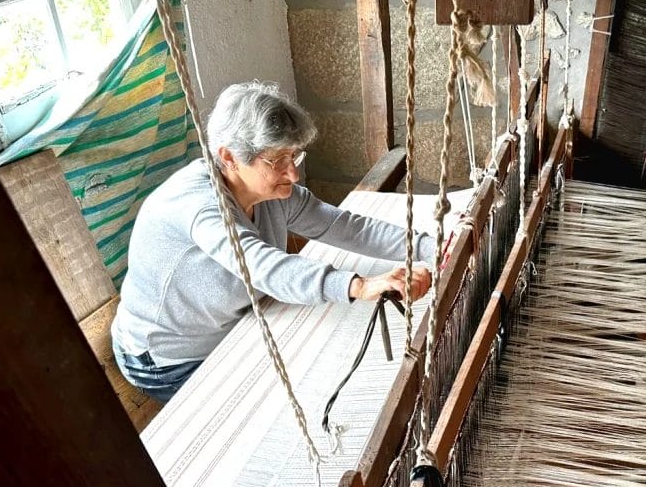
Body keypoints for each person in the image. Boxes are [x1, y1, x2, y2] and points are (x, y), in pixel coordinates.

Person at [112, 81, 434, 402]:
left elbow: (343, 226)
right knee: (288, 398)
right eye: (277, 161)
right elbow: (265, 268)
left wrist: (430, 247)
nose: (292, 174)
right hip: (164, 359)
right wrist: (358, 286)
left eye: (293, 156)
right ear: (229, 157)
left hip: (225, 326)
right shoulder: (201, 207)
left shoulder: (273, 193)